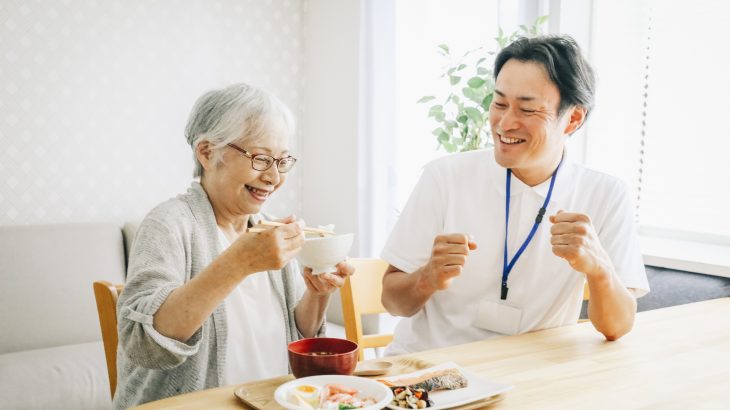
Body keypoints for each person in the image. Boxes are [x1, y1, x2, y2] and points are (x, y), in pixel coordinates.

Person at [380, 35, 649, 356]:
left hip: (530, 377)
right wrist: (427, 278)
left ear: (574, 118)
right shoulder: (445, 176)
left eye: (528, 109)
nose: (505, 123)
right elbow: (392, 302)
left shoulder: (605, 194)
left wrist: (599, 268)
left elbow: (616, 327)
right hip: (432, 369)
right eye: (499, 103)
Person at [114, 83, 353, 408]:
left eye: (282, 161)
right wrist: (238, 263)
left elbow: (298, 336)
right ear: (208, 153)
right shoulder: (169, 224)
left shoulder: (266, 229)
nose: (274, 177)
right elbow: (143, 344)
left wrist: (317, 292)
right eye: (261, 158)